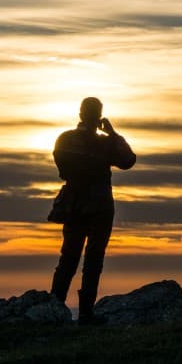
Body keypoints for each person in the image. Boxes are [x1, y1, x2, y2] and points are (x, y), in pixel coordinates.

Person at [49, 97, 136, 325]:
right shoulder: (106, 144)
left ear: (79, 114)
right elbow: (128, 160)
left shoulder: (65, 139)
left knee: (68, 258)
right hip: (100, 207)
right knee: (93, 261)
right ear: (99, 117)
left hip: (76, 205)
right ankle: (86, 314)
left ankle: (54, 309)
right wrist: (112, 133)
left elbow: (62, 170)